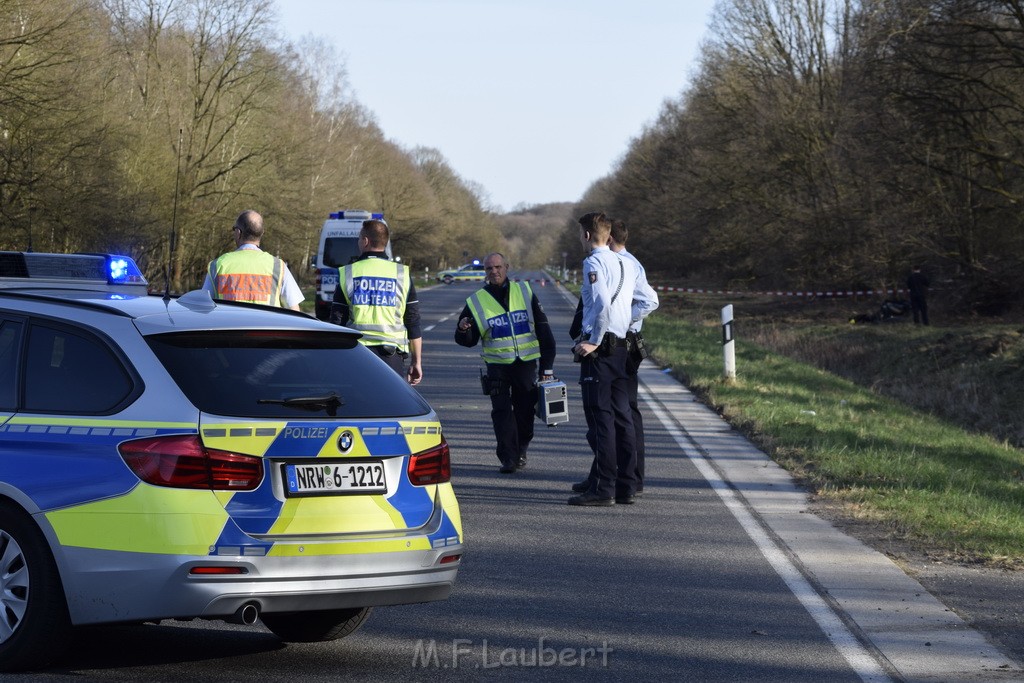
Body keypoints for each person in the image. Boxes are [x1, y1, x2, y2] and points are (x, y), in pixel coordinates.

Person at [570, 219, 659, 497]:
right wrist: (626, 323)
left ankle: (603, 488)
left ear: (586, 235)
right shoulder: (628, 262)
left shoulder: (593, 263)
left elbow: (601, 304)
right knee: (623, 418)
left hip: (602, 350)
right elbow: (649, 300)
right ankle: (627, 486)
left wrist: (593, 341)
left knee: (601, 419)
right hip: (622, 347)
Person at [455, 253, 556, 474]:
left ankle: (521, 448)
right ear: (485, 272)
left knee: (525, 412)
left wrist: (547, 368)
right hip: (497, 366)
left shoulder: (525, 292)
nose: (494, 272)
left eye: (498, 267)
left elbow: (544, 331)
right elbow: (467, 340)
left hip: (525, 364)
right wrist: (463, 329)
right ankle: (508, 457)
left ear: (506, 267)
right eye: (489, 268)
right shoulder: (476, 301)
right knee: (501, 412)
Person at [330, 219, 422, 385]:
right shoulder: (402, 273)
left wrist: (335, 360)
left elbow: (337, 322)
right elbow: (413, 321)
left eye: (359, 238)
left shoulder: (348, 272)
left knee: (359, 405)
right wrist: (417, 362)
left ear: (365, 241)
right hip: (392, 356)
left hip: (357, 353)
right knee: (390, 406)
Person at [204, 210, 303, 310]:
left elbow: (204, 308)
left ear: (238, 232)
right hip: (268, 326)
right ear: (261, 234)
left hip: (229, 325)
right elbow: (294, 310)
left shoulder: (217, 265)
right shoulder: (278, 267)